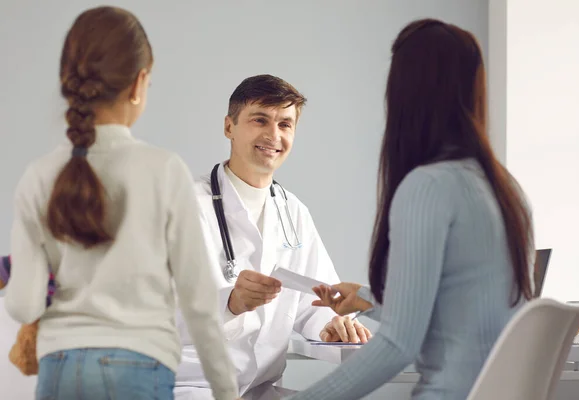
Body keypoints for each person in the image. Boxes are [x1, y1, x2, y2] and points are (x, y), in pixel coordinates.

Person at [287, 18, 535, 400]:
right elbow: (462, 313)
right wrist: (371, 298)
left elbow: (397, 346)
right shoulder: (505, 188)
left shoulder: (428, 187)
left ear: (404, 93)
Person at [4, 6, 239, 400]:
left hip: (58, 370)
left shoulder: (38, 175)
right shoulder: (164, 170)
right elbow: (199, 305)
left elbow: (24, 306)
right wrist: (227, 393)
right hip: (139, 369)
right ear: (139, 83)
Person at [174, 74, 372, 400]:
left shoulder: (293, 212)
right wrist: (230, 303)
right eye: (260, 119)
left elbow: (316, 300)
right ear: (229, 127)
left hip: (261, 389)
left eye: (285, 124)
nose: (273, 134)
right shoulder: (184, 205)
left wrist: (334, 324)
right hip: (191, 387)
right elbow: (156, 313)